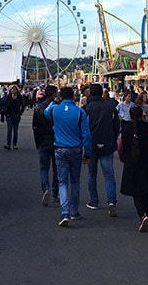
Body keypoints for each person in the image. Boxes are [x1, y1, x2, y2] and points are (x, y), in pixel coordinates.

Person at [44, 86, 92, 227]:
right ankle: (74, 211)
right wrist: (87, 153)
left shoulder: (55, 109)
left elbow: (46, 114)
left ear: (61, 96)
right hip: (75, 148)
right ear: (73, 97)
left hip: (60, 147)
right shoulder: (80, 112)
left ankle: (64, 212)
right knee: (75, 181)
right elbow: (86, 134)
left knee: (62, 182)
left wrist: (54, 101)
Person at [118, 105, 148, 232]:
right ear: (142, 115)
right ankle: (146, 214)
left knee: (136, 192)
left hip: (132, 163)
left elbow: (120, 148)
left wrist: (123, 158)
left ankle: (143, 215)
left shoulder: (126, 130)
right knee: (146, 190)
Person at [84, 82, 120, 216]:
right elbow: (117, 125)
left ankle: (94, 201)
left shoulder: (87, 108)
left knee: (92, 174)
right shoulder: (110, 107)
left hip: (92, 144)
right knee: (109, 175)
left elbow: (84, 127)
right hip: (107, 142)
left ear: (91, 93)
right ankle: (111, 201)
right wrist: (113, 137)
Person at [32, 84, 59, 206]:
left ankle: (45, 188)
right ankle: (55, 192)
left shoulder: (38, 108)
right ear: (53, 94)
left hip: (43, 140)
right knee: (56, 168)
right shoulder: (57, 107)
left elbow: (35, 127)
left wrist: (38, 142)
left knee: (44, 167)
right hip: (56, 140)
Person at [2, 84, 25, 150]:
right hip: (9, 115)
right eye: (12, 89)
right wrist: (5, 113)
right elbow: (5, 105)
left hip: (16, 115)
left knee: (15, 130)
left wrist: (20, 113)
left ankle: (15, 144)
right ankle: (8, 144)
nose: (13, 90)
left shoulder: (19, 97)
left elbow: (23, 106)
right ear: (10, 90)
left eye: (15, 89)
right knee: (9, 130)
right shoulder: (8, 97)